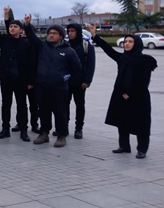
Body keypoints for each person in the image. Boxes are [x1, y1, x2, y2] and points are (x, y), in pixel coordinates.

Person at [89, 25, 157, 159]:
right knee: (122, 121)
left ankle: (142, 149)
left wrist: (130, 94)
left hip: (138, 97)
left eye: (130, 42)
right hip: (121, 95)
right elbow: (108, 50)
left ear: (137, 44)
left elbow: (144, 81)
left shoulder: (145, 61)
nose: (127, 44)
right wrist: (95, 36)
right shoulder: (122, 58)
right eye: (125, 41)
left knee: (141, 124)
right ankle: (124, 146)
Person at [24, 16, 82, 148]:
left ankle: (62, 135)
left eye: (54, 33)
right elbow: (32, 38)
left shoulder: (69, 51)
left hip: (59, 88)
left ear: (61, 36)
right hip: (42, 86)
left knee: (60, 111)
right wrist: (27, 25)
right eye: (50, 33)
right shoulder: (42, 46)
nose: (51, 35)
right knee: (43, 110)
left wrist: (65, 77)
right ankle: (44, 133)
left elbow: (77, 70)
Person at [0, 8, 33, 142]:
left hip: (21, 80)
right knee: (5, 104)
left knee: (22, 105)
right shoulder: (4, 40)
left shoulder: (26, 43)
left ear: (20, 29)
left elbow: (31, 63)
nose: (12, 28)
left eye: (15, 27)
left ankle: (24, 130)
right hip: (6, 79)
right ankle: (5, 129)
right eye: (11, 26)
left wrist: (30, 81)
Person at [62, 23, 96, 139]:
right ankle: (63, 127)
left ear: (78, 32)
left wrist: (87, 81)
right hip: (65, 81)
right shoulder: (64, 45)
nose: (70, 33)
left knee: (80, 105)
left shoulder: (86, 46)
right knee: (63, 105)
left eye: (72, 31)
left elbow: (91, 65)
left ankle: (79, 129)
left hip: (80, 82)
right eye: (68, 31)